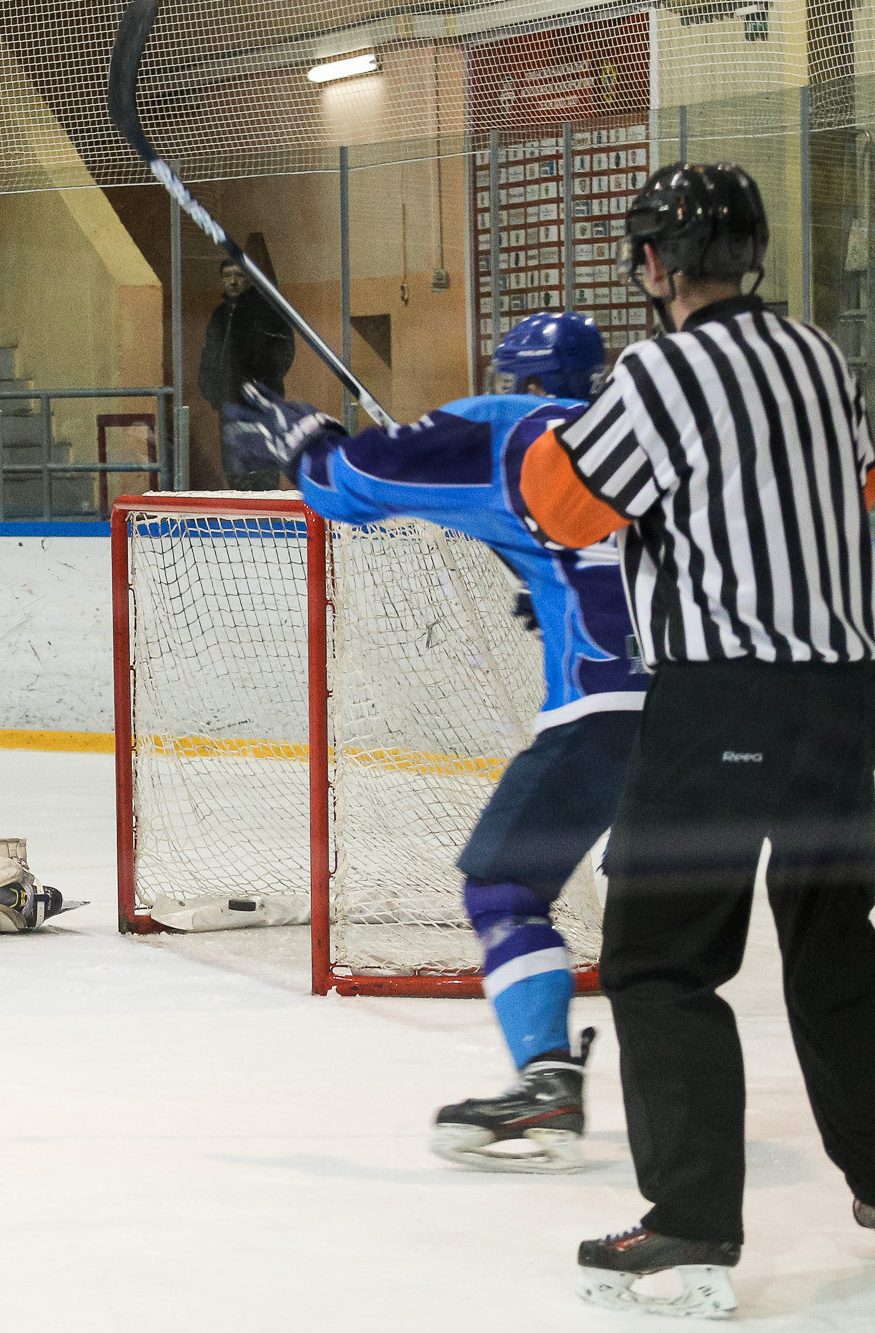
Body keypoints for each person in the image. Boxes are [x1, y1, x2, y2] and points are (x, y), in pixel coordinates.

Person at [517, 163, 875, 1317]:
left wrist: (535, 438)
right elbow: (863, 488)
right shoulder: (820, 357)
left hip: (723, 697)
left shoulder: (658, 372)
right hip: (841, 693)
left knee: (660, 957)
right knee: (832, 944)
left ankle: (685, 1227)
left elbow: (565, 508)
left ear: (653, 263)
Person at [226, 310, 637, 1175]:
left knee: (502, 888)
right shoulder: (634, 432)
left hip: (603, 715)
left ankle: (547, 1078)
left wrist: (306, 437)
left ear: (515, 376)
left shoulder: (502, 427)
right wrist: (542, 576)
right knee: (679, 935)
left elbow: (342, 487)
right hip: (715, 702)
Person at [199, 257, 296, 489]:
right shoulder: (219, 315)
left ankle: (268, 520)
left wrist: (260, 386)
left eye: (239, 275)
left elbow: (283, 352)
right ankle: (241, 519)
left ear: (249, 279)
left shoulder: (268, 311)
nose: (232, 282)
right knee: (235, 466)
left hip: (260, 404)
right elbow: (210, 356)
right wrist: (212, 391)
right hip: (229, 403)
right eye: (227, 276)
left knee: (263, 464)